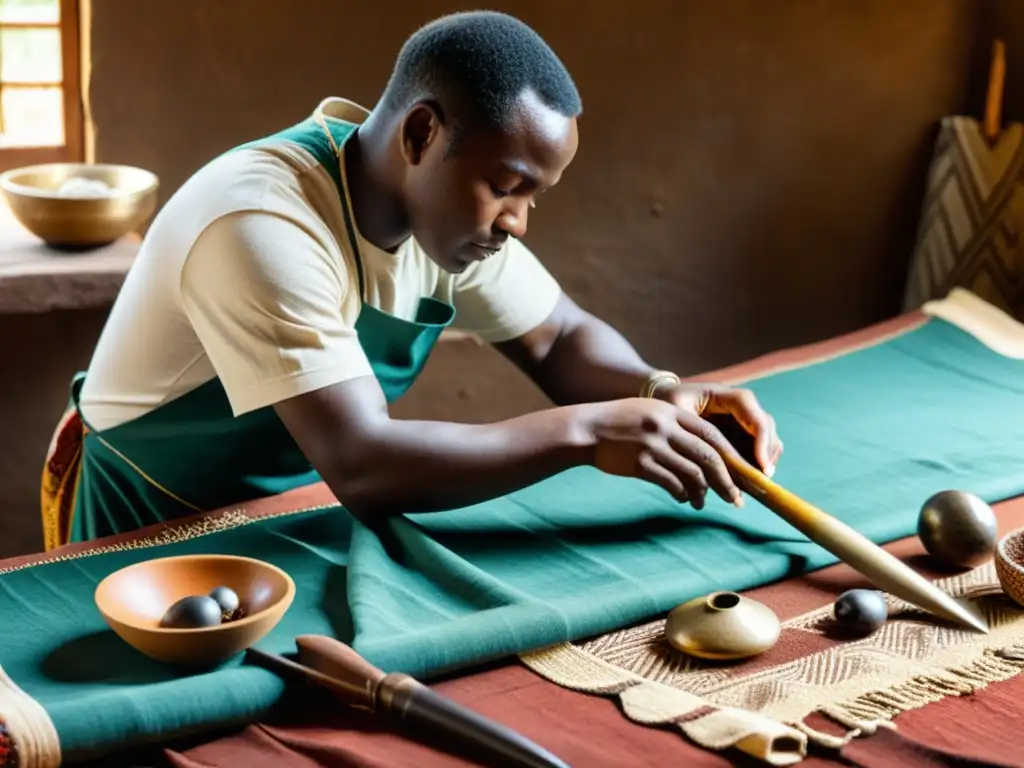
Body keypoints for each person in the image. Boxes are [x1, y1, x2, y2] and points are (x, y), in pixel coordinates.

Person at [40, 11, 783, 548]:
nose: (518, 222)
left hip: (292, 519)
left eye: (534, 197)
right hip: (146, 533)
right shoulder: (260, 221)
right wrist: (589, 431)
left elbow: (558, 336)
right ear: (423, 134)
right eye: (508, 187)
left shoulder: (437, 217)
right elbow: (363, 463)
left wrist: (657, 392)